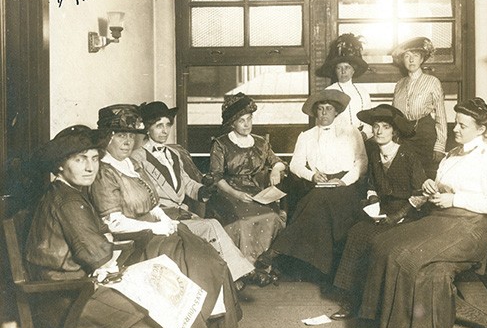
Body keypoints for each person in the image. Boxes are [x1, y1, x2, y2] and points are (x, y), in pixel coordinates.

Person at [25, 125, 235, 328]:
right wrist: (107, 262)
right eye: (79, 159)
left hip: (77, 293)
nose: (90, 167)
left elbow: (99, 246)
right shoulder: (68, 202)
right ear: (60, 166)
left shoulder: (69, 194)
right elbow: (98, 253)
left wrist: (109, 259)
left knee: (161, 286)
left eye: (93, 158)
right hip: (68, 304)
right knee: (157, 306)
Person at [358, 98, 487, 328]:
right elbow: (440, 188)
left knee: (404, 256)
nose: (456, 129)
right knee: (382, 243)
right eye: (456, 123)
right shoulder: (451, 156)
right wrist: (431, 189)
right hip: (441, 219)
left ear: (480, 130)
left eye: (463, 126)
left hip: (471, 228)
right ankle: (380, 324)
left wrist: (455, 199)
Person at [88, 105, 241, 328]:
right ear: (106, 137)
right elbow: (114, 222)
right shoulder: (105, 171)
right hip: (133, 243)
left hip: (153, 232)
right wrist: (155, 226)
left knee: (207, 258)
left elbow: (153, 201)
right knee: (191, 264)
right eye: (119, 135)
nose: (126, 141)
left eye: (129, 135)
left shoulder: (129, 164)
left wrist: (162, 220)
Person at [131, 101, 261, 287]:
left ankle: (234, 276)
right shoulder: (138, 158)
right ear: (147, 128)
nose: (165, 130)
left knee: (212, 226)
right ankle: (238, 274)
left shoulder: (172, 154)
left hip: (181, 213)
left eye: (168, 125)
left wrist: (204, 190)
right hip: (161, 217)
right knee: (211, 226)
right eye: (159, 125)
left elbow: (186, 183)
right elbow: (143, 196)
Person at [257, 89, 368, 279]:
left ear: (336, 112)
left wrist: (344, 180)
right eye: (320, 109)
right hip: (319, 183)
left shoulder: (351, 132)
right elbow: (295, 165)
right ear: (315, 112)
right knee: (319, 199)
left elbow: (362, 162)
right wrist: (312, 176)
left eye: (328, 109)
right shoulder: (306, 136)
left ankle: (278, 248)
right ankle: (324, 271)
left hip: (346, 185)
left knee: (317, 202)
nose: (324, 113)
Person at [329, 104, 427, 320]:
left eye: (385, 127)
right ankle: (349, 300)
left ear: (395, 131)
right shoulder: (374, 154)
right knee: (355, 233)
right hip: (382, 212)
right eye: (376, 126)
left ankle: (371, 305)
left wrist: (398, 215)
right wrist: (373, 200)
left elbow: (421, 193)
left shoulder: (408, 155)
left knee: (376, 241)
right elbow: (372, 184)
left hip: (408, 214)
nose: (379, 131)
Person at [206, 93, 286, 267]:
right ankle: (244, 267)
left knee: (272, 216)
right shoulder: (220, 144)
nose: (247, 124)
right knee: (242, 221)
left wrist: (276, 170)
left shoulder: (260, 143)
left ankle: (263, 265)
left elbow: (278, 162)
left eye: (249, 119)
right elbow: (216, 177)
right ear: (232, 123)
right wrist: (236, 193)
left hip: (257, 192)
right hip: (228, 192)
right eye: (241, 120)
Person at [391, 36, 447, 178]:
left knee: (424, 178)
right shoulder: (399, 85)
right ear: (402, 60)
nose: (411, 60)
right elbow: (394, 115)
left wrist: (440, 145)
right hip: (403, 138)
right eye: (407, 56)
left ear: (422, 59)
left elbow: (441, 115)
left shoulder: (432, 82)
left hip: (425, 137)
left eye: (415, 56)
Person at [318, 33, 372, 139]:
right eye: (339, 68)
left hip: (362, 140)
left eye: (347, 67)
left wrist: (364, 135)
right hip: (337, 140)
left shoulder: (363, 92)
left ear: (353, 70)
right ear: (335, 70)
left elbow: (369, 121)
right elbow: (322, 123)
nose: (343, 71)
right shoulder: (329, 91)